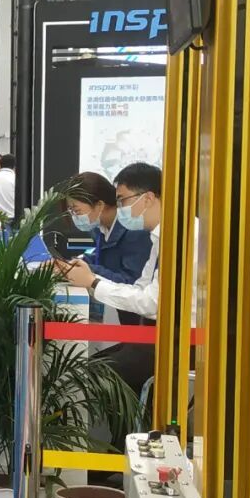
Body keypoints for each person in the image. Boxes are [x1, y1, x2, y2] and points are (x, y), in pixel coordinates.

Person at [61, 163, 185, 403]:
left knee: (99, 372)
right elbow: (140, 288)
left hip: (176, 342)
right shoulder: (158, 238)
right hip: (153, 333)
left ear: (148, 198)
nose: (119, 208)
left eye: (122, 200)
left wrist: (93, 282)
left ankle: (131, 423)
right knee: (94, 367)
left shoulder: (175, 237)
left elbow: (151, 303)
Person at [65, 171, 154, 325]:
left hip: (138, 317)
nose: (74, 216)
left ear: (99, 205)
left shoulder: (136, 231)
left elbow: (131, 283)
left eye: (76, 211)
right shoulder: (100, 228)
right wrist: (76, 263)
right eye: (71, 211)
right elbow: (101, 257)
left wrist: (89, 273)